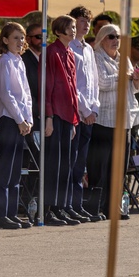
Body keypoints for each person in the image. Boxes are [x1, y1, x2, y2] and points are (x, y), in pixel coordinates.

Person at [88, 24, 139, 219]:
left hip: (125, 120)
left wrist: (136, 78)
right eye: (111, 36)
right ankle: (96, 206)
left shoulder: (124, 59)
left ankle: (114, 207)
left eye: (118, 37)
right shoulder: (96, 57)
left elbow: (136, 88)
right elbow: (102, 83)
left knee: (119, 167)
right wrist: (126, 76)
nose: (115, 41)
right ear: (102, 38)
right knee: (101, 167)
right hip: (104, 119)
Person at [0, 22, 34, 230]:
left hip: (20, 121)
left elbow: (26, 94)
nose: (20, 41)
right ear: (5, 40)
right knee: (4, 168)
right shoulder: (5, 62)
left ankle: (11, 212)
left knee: (15, 169)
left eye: (22, 37)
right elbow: (6, 93)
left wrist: (28, 119)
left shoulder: (19, 62)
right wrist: (19, 119)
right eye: (16, 37)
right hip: (8, 119)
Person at [43, 15, 81, 226]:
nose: (73, 30)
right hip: (56, 114)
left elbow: (73, 88)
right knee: (55, 165)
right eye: (69, 27)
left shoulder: (70, 53)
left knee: (66, 164)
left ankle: (62, 206)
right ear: (59, 31)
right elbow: (47, 86)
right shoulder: (52, 52)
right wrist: (49, 116)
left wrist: (75, 120)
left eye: (74, 27)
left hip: (69, 115)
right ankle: (50, 209)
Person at [67, 7, 100, 222]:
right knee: (72, 160)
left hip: (90, 113)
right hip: (76, 112)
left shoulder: (88, 49)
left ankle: (78, 204)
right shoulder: (69, 47)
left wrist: (95, 108)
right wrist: (85, 110)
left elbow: (93, 82)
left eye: (88, 21)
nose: (86, 25)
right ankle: (68, 204)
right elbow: (73, 83)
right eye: (81, 21)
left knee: (81, 164)